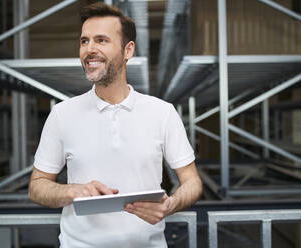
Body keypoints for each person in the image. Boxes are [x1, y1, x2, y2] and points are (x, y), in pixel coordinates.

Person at [28, 2, 202, 247]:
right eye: (84, 41)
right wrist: (72, 191)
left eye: (101, 40)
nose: (90, 49)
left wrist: (170, 205)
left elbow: (192, 182)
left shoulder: (162, 112)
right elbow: (37, 186)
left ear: (128, 50)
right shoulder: (62, 114)